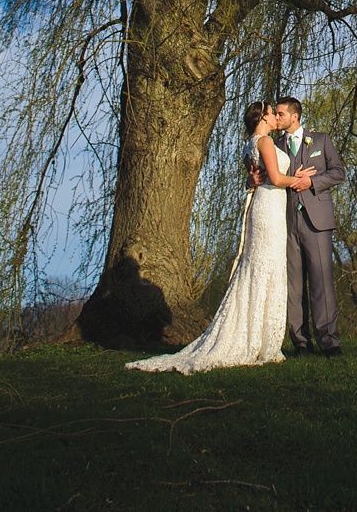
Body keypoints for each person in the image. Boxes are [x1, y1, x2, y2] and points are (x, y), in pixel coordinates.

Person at [126, 102, 314, 373]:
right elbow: (274, 178)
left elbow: (256, 179)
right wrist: (298, 179)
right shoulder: (264, 143)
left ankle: (256, 336)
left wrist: (267, 179)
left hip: (262, 205)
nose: (275, 116)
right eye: (272, 112)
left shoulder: (250, 144)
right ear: (262, 116)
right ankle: (260, 342)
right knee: (265, 267)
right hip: (269, 209)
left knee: (258, 267)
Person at [272, 96, 346, 356]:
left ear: (295, 116)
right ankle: (301, 342)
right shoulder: (275, 145)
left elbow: (339, 172)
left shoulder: (321, 140)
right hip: (287, 220)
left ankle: (329, 341)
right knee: (293, 284)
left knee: (321, 281)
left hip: (317, 221)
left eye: (280, 114)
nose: (276, 118)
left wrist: (312, 183)